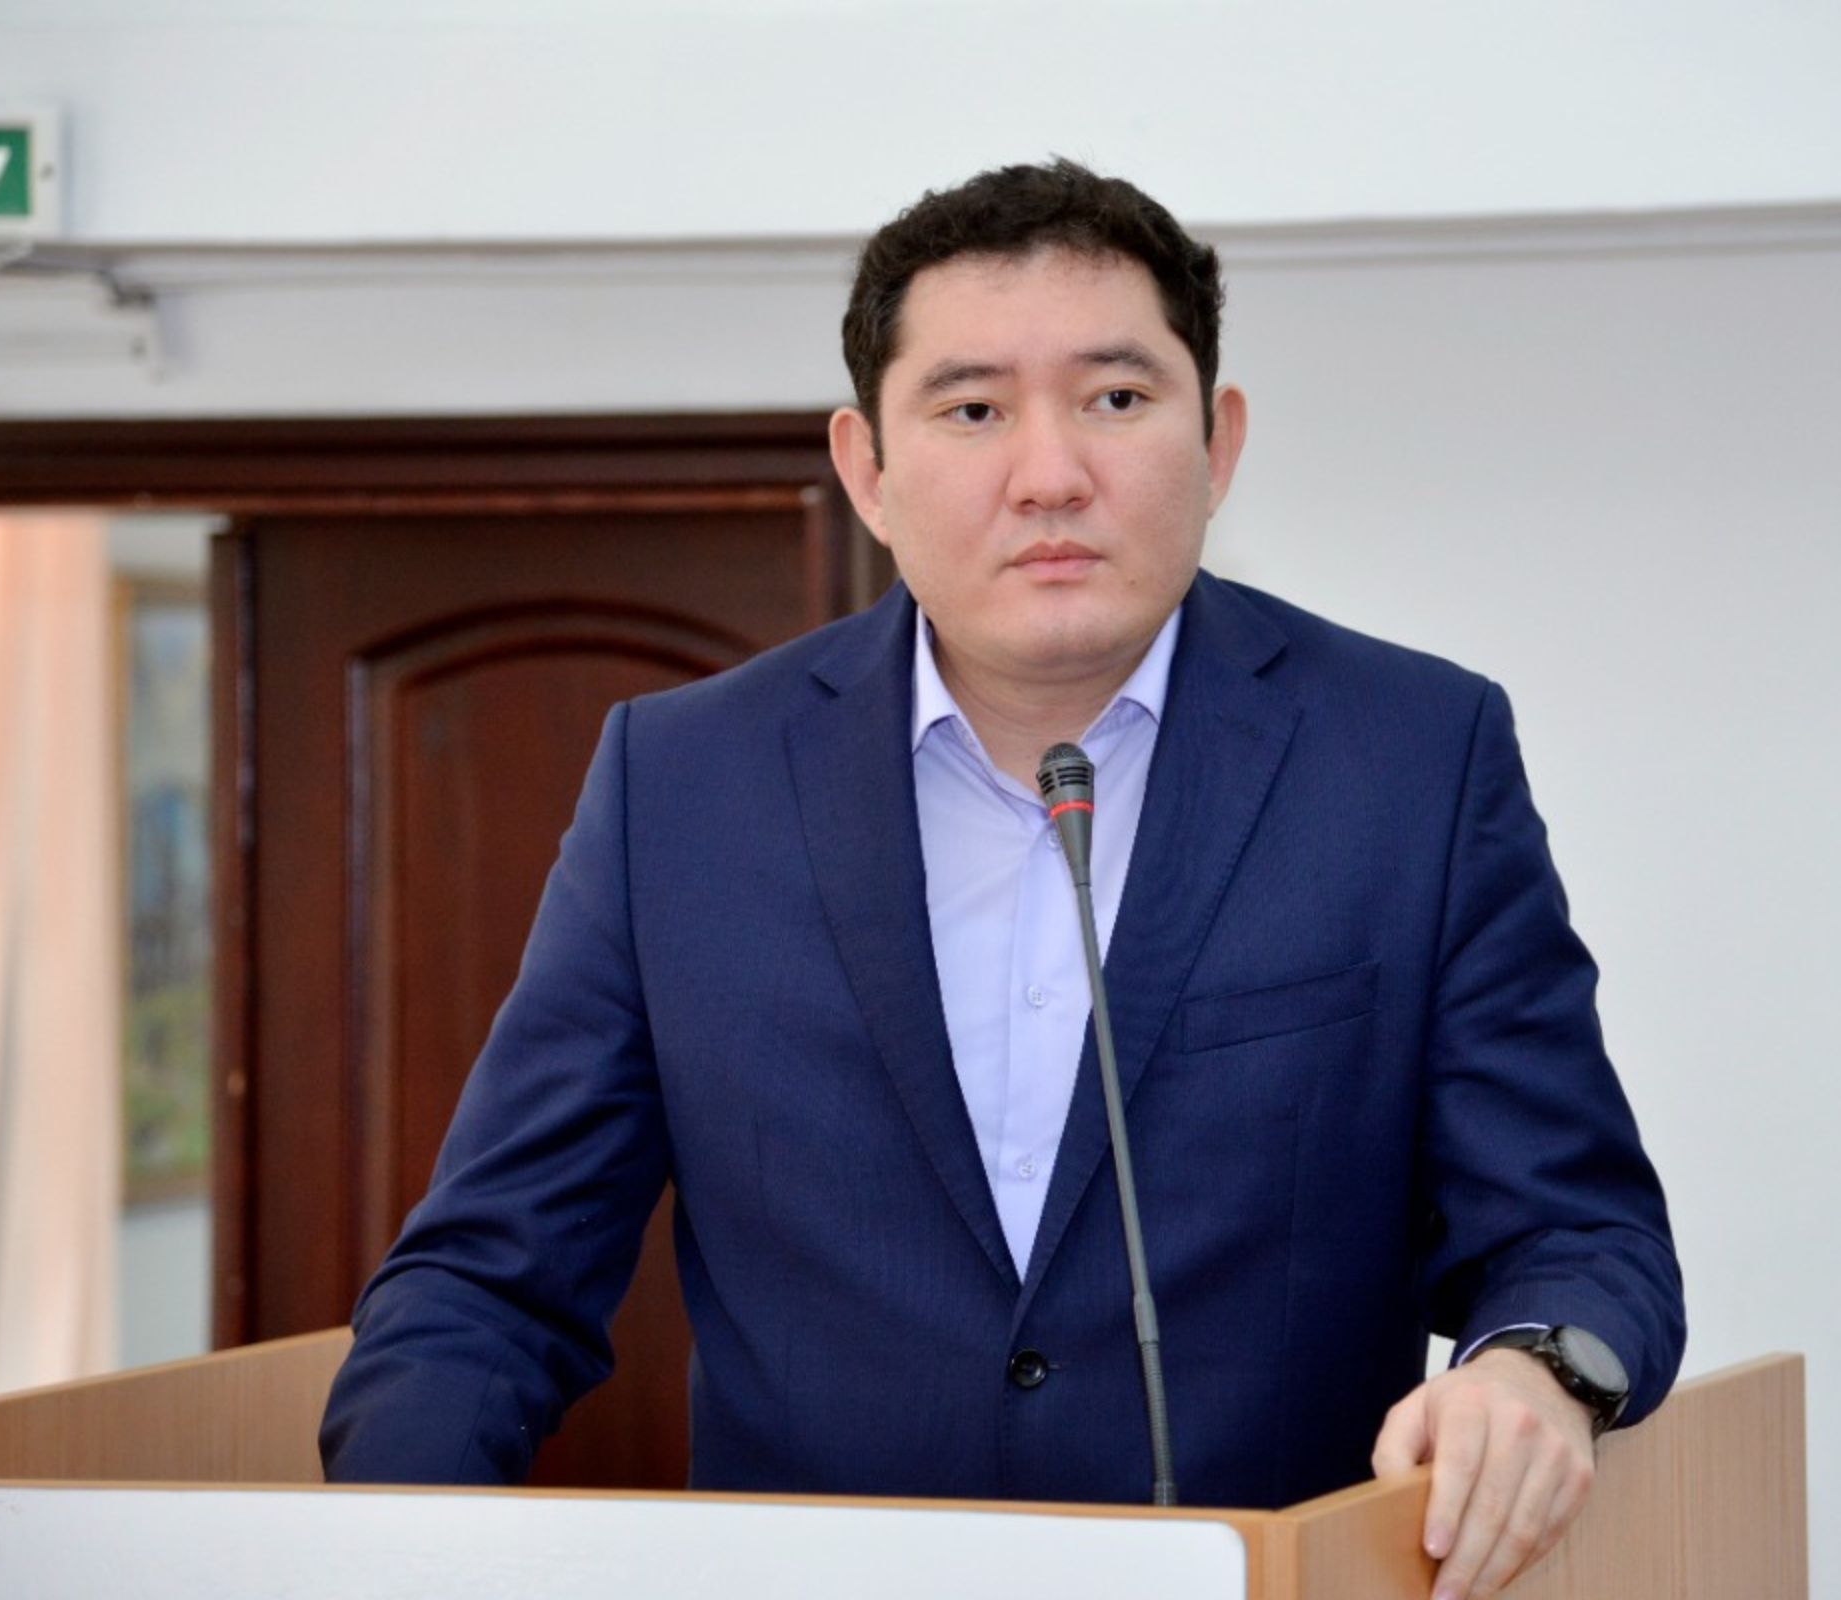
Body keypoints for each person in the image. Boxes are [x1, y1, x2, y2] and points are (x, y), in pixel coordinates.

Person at [321, 159, 1682, 1600]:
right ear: (867, 469)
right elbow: (489, 1280)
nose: (1050, 474)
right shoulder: (683, 786)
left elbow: (1576, 1230)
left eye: (1117, 397)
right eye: (972, 410)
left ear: (1217, 442)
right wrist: (390, 1555)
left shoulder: (1409, 760)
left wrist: (1537, 1373)